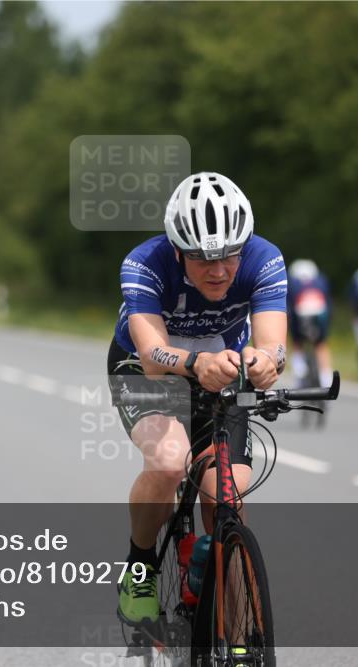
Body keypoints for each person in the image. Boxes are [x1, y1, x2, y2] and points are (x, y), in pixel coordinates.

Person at [108, 172, 287, 625]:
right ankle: (141, 566)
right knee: (170, 462)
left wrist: (266, 362)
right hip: (146, 368)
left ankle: (236, 628)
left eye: (229, 255)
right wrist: (195, 363)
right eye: (203, 259)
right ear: (177, 250)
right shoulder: (144, 263)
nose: (219, 270)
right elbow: (152, 355)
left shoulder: (265, 259)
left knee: (226, 493)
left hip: (223, 367)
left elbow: (274, 345)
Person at [287, 259, 334, 389]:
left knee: (297, 343)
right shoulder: (321, 281)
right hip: (320, 314)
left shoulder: (292, 283)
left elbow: (288, 307)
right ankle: (327, 381)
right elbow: (329, 305)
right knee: (321, 345)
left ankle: (298, 378)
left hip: (299, 315)